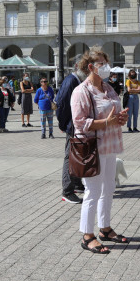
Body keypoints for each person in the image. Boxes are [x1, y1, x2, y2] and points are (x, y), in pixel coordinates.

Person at [70, 49, 129, 254]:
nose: (106, 67)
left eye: (106, 62)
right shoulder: (81, 91)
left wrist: (121, 119)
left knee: (109, 188)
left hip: (110, 145)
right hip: (92, 148)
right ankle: (87, 235)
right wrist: (106, 122)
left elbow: (113, 112)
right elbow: (79, 123)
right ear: (90, 67)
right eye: (101, 63)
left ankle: (105, 228)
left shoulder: (108, 88)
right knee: (93, 192)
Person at [56, 62, 88, 204]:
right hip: (72, 125)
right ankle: (67, 191)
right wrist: (63, 124)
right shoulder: (71, 81)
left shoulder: (77, 81)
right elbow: (61, 105)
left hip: (76, 125)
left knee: (77, 155)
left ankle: (76, 183)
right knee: (69, 156)